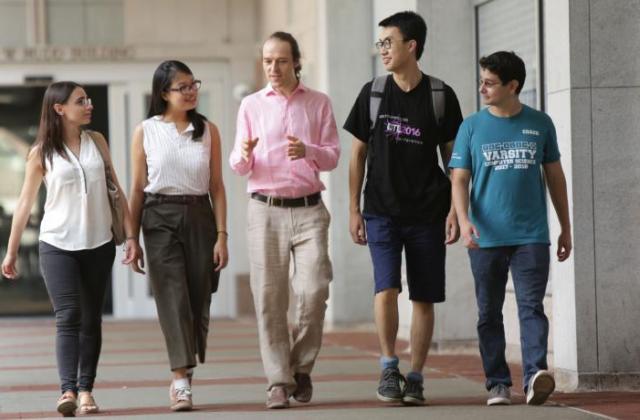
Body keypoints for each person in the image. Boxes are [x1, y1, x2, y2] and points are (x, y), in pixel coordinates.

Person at [0, 81, 143, 416]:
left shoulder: (98, 142)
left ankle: (86, 391)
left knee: (91, 319)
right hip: (57, 244)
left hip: (99, 243)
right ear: (59, 109)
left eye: (88, 99)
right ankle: (67, 390)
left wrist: (131, 236)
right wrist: (11, 251)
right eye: (81, 101)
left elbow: (116, 189)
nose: (89, 105)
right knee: (68, 317)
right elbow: (23, 204)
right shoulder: (41, 153)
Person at [344, 11, 463, 405]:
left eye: (388, 43)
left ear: (411, 46)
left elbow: (454, 161)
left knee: (424, 297)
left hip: (428, 210)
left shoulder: (440, 96)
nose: (382, 50)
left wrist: (455, 212)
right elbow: (357, 154)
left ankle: (415, 376)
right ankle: (389, 367)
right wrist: (353, 208)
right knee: (386, 287)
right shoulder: (373, 92)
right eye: (379, 44)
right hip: (380, 209)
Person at [450, 50, 572, 406]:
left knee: (531, 306)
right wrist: (464, 220)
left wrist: (565, 227)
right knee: (488, 311)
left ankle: (535, 376)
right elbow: (459, 178)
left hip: (531, 235)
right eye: (482, 81)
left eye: (489, 83)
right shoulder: (471, 126)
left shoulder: (540, 123)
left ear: (513, 86)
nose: (482, 88)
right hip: (485, 236)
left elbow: (555, 178)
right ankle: (497, 383)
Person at [229, 31, 340, 409]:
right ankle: (278, 381)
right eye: (267, 61)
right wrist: (243, 153)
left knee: (314, 291)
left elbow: (333, 157)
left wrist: (307, 150)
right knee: (269, 299)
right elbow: (238, 165)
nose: (273, 68)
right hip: (265, 209)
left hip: (310, 210)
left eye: (280, 60)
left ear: (296, 61)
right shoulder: (250, 105)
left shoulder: (319, 103)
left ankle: (301, 367)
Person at [128, 60, 228, 412]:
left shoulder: (209, 131)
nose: (191, 91)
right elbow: (137, 189)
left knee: (199, 298)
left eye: (193, 84)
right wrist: (131, 238)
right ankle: (180, 380)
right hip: (158, 217)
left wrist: (222, 235)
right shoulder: (146, 130)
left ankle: (185, 369)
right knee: (172, 296)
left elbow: (217, 187)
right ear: (163, 93)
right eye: (182, 87)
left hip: (200, 215)